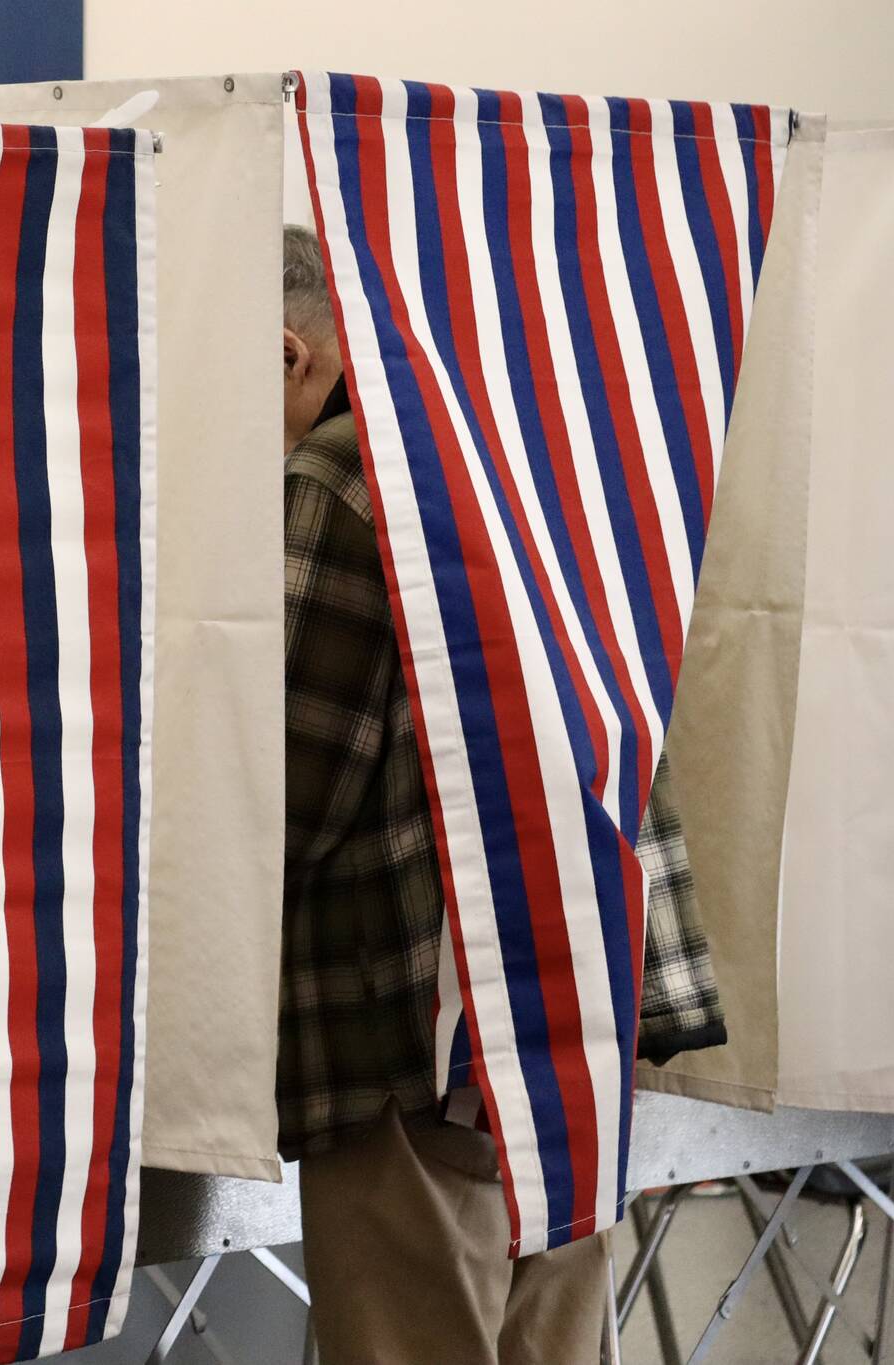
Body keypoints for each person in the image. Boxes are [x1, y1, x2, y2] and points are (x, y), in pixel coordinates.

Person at [280, 223, 722, 1363]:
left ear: (289, 353)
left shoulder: (339, 476)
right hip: (577, 1002)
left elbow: (283, 787)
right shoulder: (540, 452)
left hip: (415, 1023)